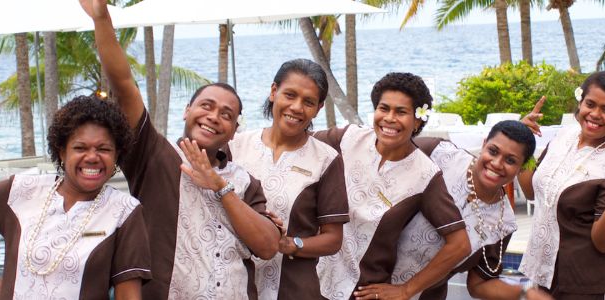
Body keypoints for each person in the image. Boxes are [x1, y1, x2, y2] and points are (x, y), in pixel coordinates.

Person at [83, 0, 281, 298]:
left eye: (226, 115)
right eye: (206, 106)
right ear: (187, 111)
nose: (214, 117)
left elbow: (267, 247)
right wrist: (101, 19)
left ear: (234, 129)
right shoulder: (153, 155)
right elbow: (124, 84)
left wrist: (219, 186)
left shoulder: (245, 181)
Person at [0, 96, 151, 299]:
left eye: (104, 149)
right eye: (80, 148)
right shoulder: (22, 191)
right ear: (61, 152)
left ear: (116, 155)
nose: (92, 157)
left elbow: (128, 295)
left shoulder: (124, 212)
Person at [313, 72, 470, 300]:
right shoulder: (348, 138)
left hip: (362, 291)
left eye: (401, 112)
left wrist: (407, 289)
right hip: (313, 279)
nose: (389, 118)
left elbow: (460, 245)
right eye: (384, 108)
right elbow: (299, 142)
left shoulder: (425, 175)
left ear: (418, 120)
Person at [518, 71, 605, 299]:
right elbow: (532, 191)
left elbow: (604, 243)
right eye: (590, 104)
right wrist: (523, 141)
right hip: (547, 276)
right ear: (580, 102)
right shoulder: (565, 137)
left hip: (593, 287)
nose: (595, 114)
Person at [227, 59, 349, 299]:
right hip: (235, 285)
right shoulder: (236, 146)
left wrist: (290, 244)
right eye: (290, 95)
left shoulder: (325, 159)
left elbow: (333, 239)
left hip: (293, 290)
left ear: (319, 108)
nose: (296, 107)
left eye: (308, 102)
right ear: (274, 92)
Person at [391, 120, 550, 300]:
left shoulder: (502, 223)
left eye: (510, 160)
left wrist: (524, 292)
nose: (497, 163)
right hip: (368, 276)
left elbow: (478, 285)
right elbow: (387, 155)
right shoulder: (440, 155)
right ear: (483, 145)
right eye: (493, 151)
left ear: (521, 168)